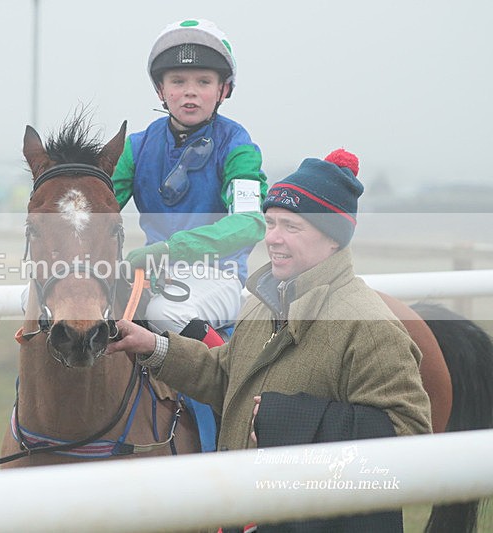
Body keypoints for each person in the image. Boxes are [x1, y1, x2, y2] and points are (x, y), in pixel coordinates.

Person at [108, 149, 432, 532]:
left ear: (333, 239)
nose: (273, 239)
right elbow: (227, 378)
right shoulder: (262, 303)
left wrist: (288, 419)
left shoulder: (369, 325)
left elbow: (410, 440)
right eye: (271, 222)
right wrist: (154, 346)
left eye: (291, 227)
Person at [111, 18, 267, 337]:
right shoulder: (135, 147)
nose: (190, 93)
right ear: (161, 90)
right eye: (178, 81)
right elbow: (98, 208)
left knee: (165, 312)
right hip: (151, 274)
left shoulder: (239, 147)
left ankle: (225, 375)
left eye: (204, 81)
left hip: (218, 277)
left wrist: (169, 251)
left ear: (223, 90)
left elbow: (250, 222)